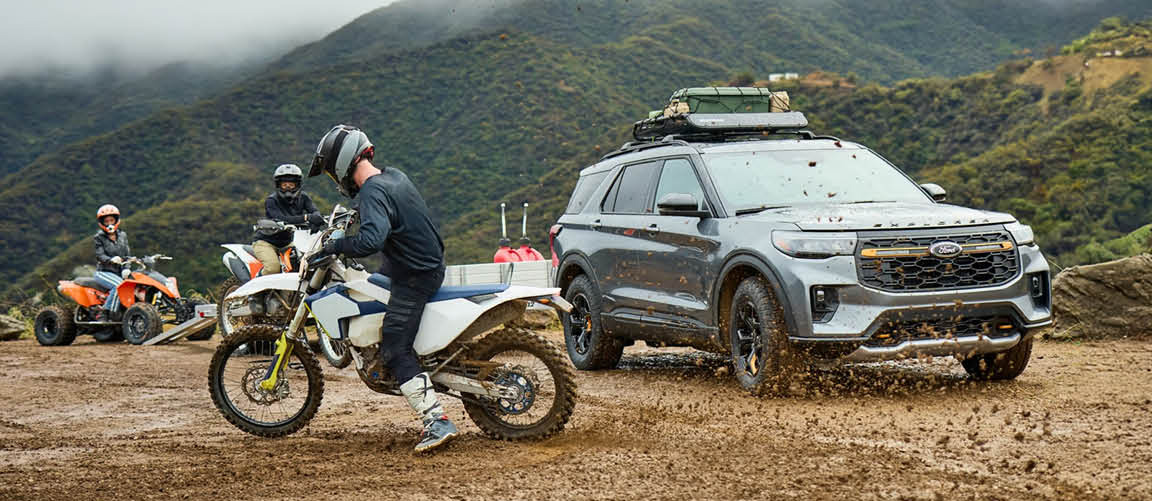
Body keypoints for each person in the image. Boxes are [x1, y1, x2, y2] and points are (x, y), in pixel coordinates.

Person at [309, 124, 457, 453]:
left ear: (342, 164)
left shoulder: (372, 192)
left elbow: (371, 240)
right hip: (417, 264)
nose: (335, 180)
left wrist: (336, 246)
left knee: (395, 347)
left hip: (415, 275)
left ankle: (437, 420)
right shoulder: (393, 176)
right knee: (371, 287)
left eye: (331, 172)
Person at [253, 164, 325, 275]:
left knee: (302, 265)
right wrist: (306, 218)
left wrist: (316, 219)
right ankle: (256, 283)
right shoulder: (271, 200)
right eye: (284, 185)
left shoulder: (304, 197)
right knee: (273, 268)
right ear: (278, 185)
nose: (287, 188)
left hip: (288, 242)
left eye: (291, 185)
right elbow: (280, 219)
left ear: (297, 185)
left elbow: (315, 211)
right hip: (266, 242)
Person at [92, 204, 130, 317]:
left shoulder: (123, 235)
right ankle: (106, 313)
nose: (109, 224)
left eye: (112, 220)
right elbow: (99, 255)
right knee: (119, 285)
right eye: (106, 221)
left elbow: (127, 255)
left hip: (119, 272)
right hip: (104, 272)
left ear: (116, 220)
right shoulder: (98, 237)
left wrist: (126, 268)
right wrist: (110, 260)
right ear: (102, 223)